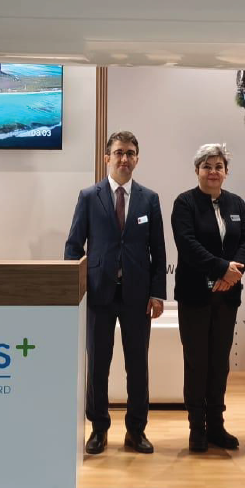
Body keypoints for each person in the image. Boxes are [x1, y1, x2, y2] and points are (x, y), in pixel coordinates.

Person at [65, 131, 166, 455]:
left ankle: (136, 430)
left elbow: (158, 251)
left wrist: (157, 293)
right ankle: (99, 428)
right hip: (99, 294)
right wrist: (75, 289)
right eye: (119, 152)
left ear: (137, 159)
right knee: (98, 364)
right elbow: (73, 246)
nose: (125, 158)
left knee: (137, 365)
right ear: (107, 157)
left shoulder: (149, 199)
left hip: (137, 295)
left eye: (130, 153)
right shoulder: (88, 196)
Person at [170, 143, 245, 453]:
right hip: (194, 296)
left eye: (219, 166)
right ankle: (197, 428)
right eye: (207, 166)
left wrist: (232, 273)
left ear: (226, 172)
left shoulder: (236, 203)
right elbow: (187, 244)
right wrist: (221, 269)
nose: (213, 172)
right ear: (197, 171)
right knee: (196, 362)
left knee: (219, 363)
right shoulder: (185, 203)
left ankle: (217, 425)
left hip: (226, 297)